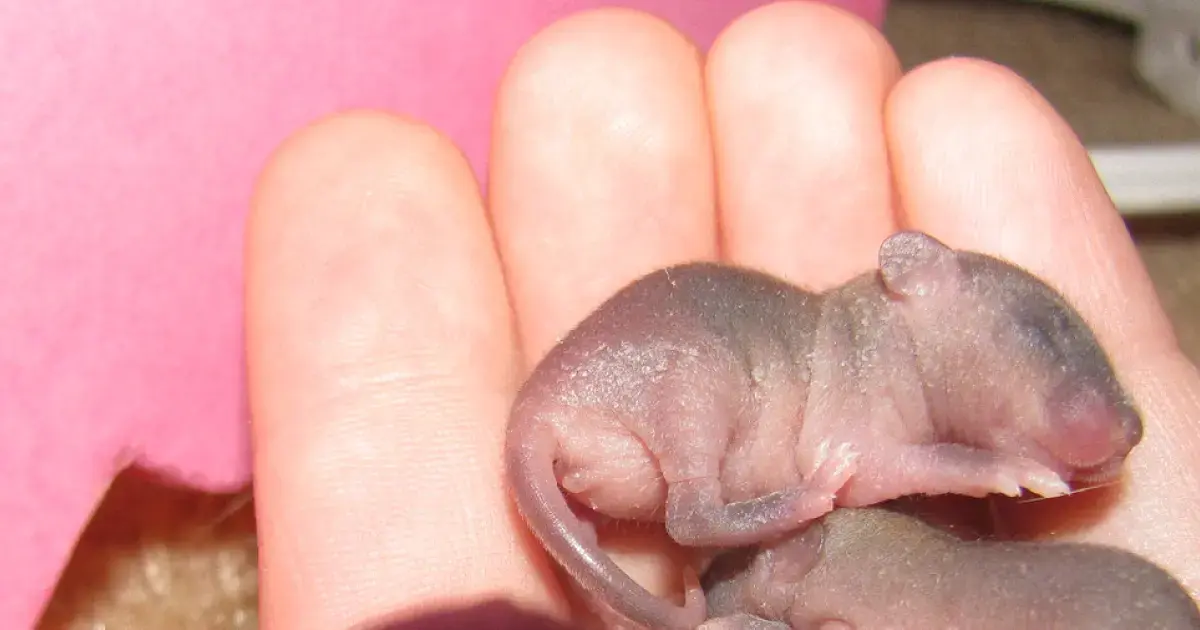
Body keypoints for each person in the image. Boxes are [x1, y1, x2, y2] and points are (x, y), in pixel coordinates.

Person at [243, 3, 1200, 628]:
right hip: (632, 425)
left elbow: (888, 465)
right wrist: (968, 471)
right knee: (697, 367)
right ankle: (707, 508)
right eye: (1044, 339)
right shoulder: (867, 355)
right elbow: (875, 466)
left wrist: (995, 465)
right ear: (916, 274)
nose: (1074, 383)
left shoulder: (882, 394)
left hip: (644, 447)